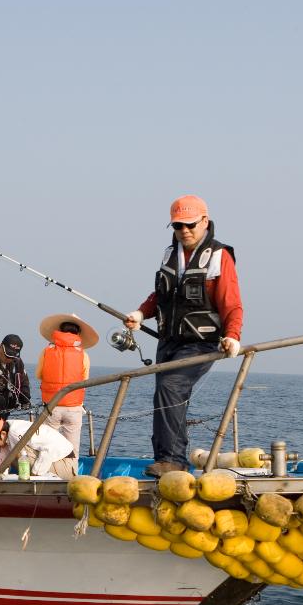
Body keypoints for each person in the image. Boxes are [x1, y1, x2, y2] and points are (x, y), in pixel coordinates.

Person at [124, 194, 244, 477]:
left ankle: (173, 462)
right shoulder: (170, 254)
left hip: (200, 343)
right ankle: (167, 459)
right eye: (178, 226)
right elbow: (161, 295)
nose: (185, 231)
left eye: (190, 224)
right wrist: (141, 314)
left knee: (171, 386)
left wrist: (233, 336)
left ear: (205, 221)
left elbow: (232, 303)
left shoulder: (219, 256)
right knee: (164, 393)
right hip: (168, 342)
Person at [35, 313, 96, 453]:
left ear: (59, 332)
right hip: (74, 407)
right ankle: (72, 472)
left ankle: (49, 473)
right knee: (72, 449)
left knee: (48, 447)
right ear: (78, 334)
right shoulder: (83, 354)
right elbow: (84, 380)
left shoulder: (46, 351)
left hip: (52, 406)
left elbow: (39, 374)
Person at [0, 416, 79, 480]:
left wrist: (35, 477)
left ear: (2, 434)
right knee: (13, 453)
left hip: (65, 465)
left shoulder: (17, 432)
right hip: (53, 461)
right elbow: (4, 456)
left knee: (19, 452)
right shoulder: (7, 431)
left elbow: (48, 450)